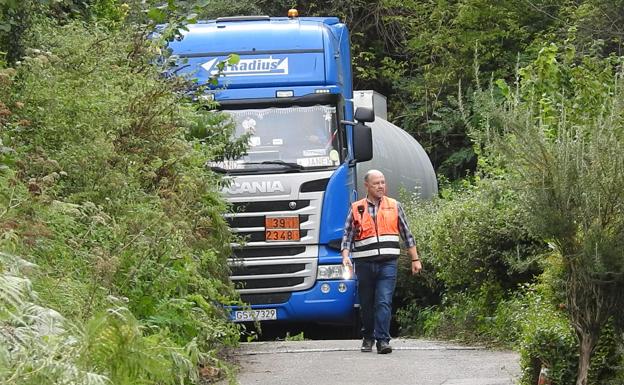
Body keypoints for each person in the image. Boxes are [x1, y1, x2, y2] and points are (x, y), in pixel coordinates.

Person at [341, 169, 422, 354]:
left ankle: (383, 340)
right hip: (364, 264)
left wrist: (415, 259)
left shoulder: (394, 205)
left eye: (383, 182)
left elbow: (407, 234)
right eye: (376, 183)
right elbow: (347, 235)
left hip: (388, 263)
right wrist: (345, 256)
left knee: (383, 301)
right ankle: (368, 336)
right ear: (367, 186)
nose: (381, 186)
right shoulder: (356, 208)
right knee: (367, 303)